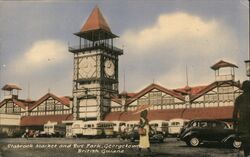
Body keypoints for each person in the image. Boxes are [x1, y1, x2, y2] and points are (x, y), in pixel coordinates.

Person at [233, 80, 250, 157]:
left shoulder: (239, 98)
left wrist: (235, 128)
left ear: (243, 88)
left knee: (246, 147)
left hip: (243, 126)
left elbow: (234, 114)